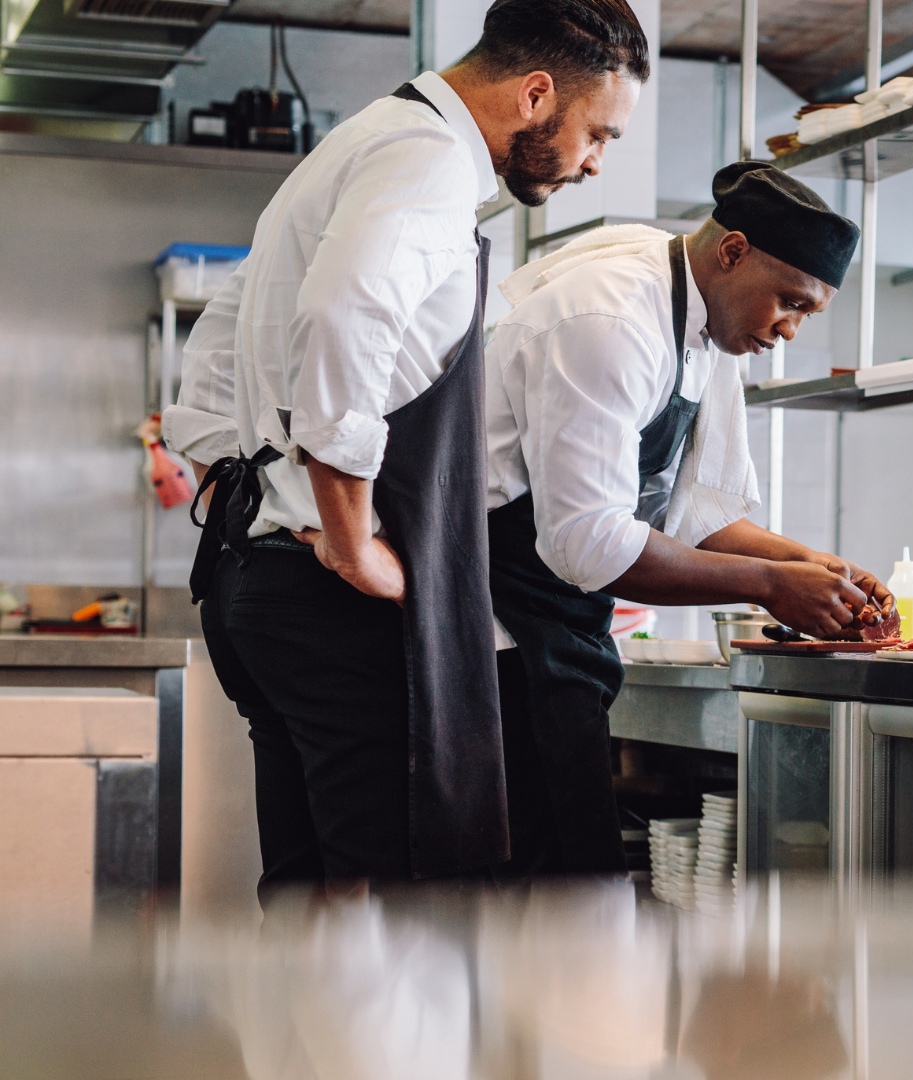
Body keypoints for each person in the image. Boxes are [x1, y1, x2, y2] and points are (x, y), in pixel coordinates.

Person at [161, 0, 650, 889]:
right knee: (392, 918)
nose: (593, 163)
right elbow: (343, 319)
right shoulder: (424, 162)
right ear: (536, 94)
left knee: (313, 905)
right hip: (329, 602)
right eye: (598, 133)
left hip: (260, 587)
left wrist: (259, 502)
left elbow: (215, 356)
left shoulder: (362, 143)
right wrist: (351, 545)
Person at [483, 162, 889, 875]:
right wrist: (769, 585)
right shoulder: (611, 317)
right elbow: (589, 542)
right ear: (732, 253)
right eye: (789, 302)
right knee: (545, 893)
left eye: (808, 313)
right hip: (496, 632)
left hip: (562, 629)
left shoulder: (711, 324)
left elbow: (696, 515)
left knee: (577, 886)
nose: (789, 329)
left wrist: (811, 567)